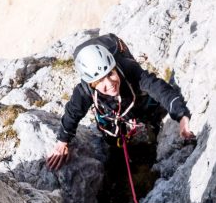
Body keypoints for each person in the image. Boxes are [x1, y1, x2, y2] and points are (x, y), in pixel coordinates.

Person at [45, 33, 195, 172]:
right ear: (92, 84)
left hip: (130, 92)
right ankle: (116, 153)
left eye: (110, 73)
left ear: (115, 67)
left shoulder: (129, 68)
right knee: (108, 127)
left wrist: (181, 115)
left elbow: (159, 88)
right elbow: (73, 113)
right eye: (100, 80)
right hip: (107, 108)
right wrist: (62, 141)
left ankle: (153, 128)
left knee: (147, 107)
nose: (109, 83)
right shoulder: (84, 91)